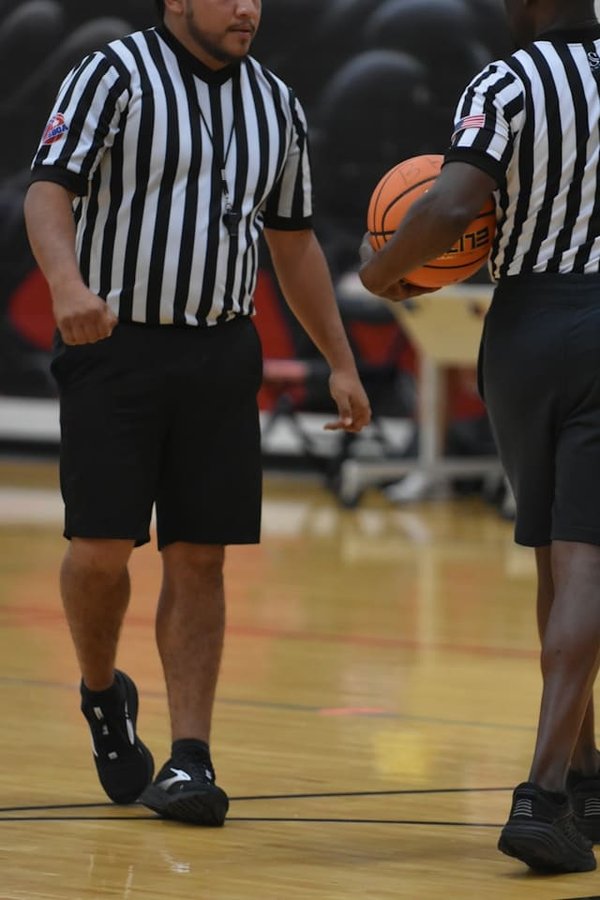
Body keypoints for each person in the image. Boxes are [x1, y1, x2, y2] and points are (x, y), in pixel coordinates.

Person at [23, 0, 371, 827]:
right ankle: (103, 692)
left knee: (201, 556)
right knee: (101, 550)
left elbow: (292, 241)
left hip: (220, 351)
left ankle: (190, 758)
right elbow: (47, 192)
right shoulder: (113, 72)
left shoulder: (277, 102)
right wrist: (68, 287)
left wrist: (341, 362)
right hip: (116, 344)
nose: (249, 7)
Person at [359, 0, 600, 877]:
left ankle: (581, 774)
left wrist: (385, 269)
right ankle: (543, 796)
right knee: (586, 559)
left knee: (552, 555)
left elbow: (456, 200)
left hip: (526, 326)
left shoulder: (506, 81)